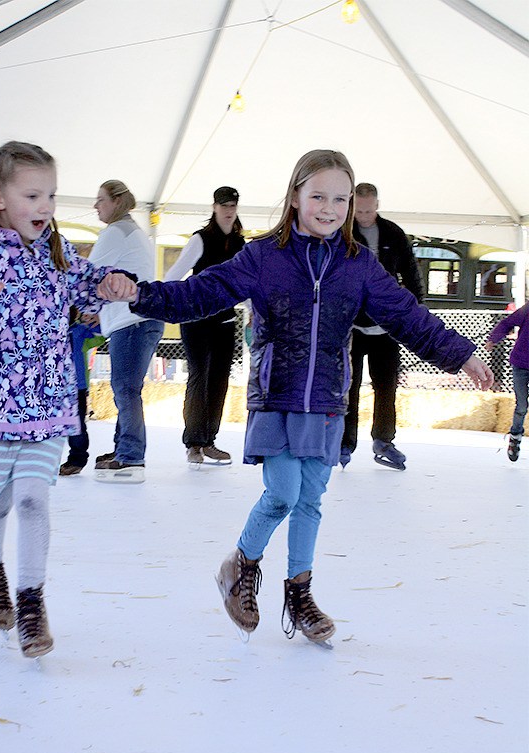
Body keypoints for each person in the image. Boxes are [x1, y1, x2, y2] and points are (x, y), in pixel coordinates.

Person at [102, 149, 493, 646]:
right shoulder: (263, 257)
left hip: (328, 398)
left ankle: (300, 594)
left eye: (340, 199)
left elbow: (405, 314)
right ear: (294, 196)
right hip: (278, 395)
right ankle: (240, 565)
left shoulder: (358, 265)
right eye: (318, 196)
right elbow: (201, 292)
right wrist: (139, 293)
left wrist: (459, 354)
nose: (329, 208)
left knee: (311, 500)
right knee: (283, 493)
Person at [0, 141, 133, 658]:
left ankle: (30, 601)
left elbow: (92, 284)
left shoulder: (57, 255)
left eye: (52, 196)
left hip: (47, 405)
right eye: (33, 195)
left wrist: (114, 283)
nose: (46, 207)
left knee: (32, 499)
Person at [340, 182, 425, 470]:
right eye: (359, 210)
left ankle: (384, 440)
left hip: (387, 326)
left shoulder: (393, 233)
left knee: (386, 385)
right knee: (348, 385)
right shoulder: (344, 232)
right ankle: (343, 442)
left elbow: (410, 272)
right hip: (352, 325)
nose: (363, 215)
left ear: (377, 205)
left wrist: (413, 309)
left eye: (368, 209)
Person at [89, 180, 164, 484]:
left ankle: (132, 457)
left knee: (126, 389)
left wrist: (83, 305)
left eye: (100, 200)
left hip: (132, 322)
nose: (96, 206)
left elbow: (90, 273)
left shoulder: (115, 232)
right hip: (139, 320)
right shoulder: (133, 231)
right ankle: (124, 449)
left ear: (117, 201)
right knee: (126, 388)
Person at [164, 186, 246, 467]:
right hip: (197, 320)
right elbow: (173, 276)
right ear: (214, 207)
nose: (228, 209)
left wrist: (258, 309)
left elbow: (244, 286)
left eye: (232, 205)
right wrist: (178, 301)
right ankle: (194, 442)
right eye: (223, 205)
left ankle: (209, 440)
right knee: (199, 377)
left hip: (225, 321)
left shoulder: (239, 244)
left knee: (220, 380)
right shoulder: (200, 240)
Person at [59, 308, 103, 476]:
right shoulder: (45, 329)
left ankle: (77, 459)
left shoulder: (80, 331)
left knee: (76, 425)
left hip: (76, 387)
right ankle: (44, 459)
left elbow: (101, 335)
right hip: (49, 386)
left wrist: (92, 321)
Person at [485, 301, 529, 461]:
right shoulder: (528, 309)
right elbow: (507, 323)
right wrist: (493, 339)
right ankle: (515, 437)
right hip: (521, 364)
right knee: (522, 406)